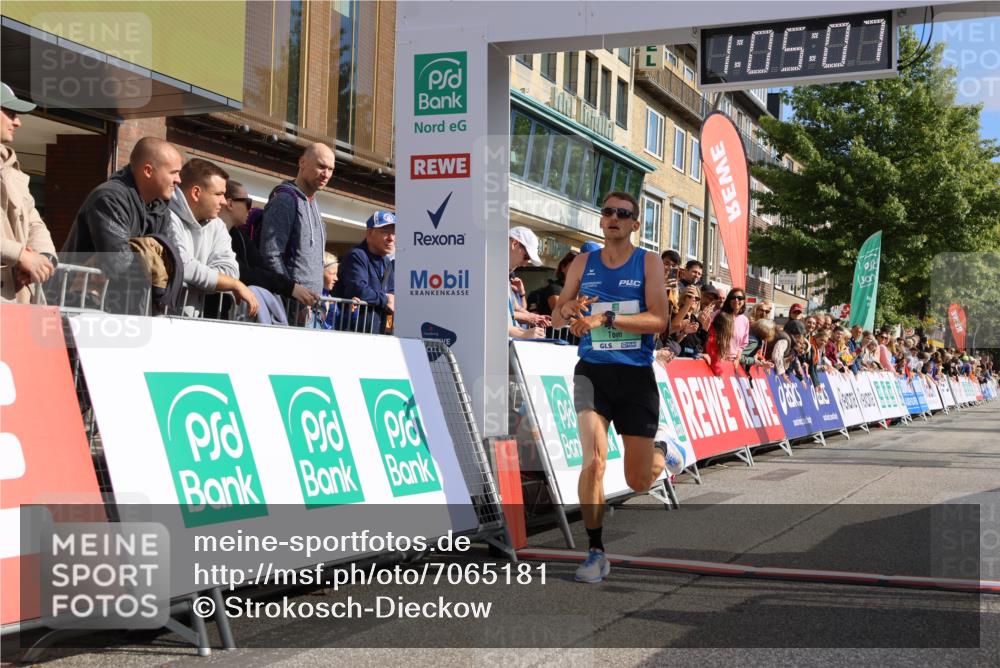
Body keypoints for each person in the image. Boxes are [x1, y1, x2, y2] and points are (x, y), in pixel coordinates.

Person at [551, 191, 669, 583]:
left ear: (635, 223)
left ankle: (664, 452)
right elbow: (557, 316)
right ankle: (595, 551)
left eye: (623, 213)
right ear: (601, 220)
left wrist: (605, 318)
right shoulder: (582, 263)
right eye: (608, 212)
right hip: (592, 372)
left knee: (638, 480)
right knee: (594, 461)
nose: (614, 218)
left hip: (634, 376)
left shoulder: (648, 262)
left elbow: (659, 320)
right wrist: (568, 309)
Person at [63, 137, 181, 278]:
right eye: (173, 172)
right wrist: (153, 260)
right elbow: (119, 262)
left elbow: (174, 262)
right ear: (148, 171)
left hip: (129, 292)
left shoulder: (161, 209)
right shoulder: (109, 198)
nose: (178, 180)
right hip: (77, 290)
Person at [167, 159, 258, 317]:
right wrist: (232, 284)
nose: (223, 202)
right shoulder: (166, 216)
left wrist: (199, 279)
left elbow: (231, 271)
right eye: (219, 194)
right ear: (196, 193)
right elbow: (181, 265)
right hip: (158, 320)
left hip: (192, 322)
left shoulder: (217, 225)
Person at [220, 180, 317, 308]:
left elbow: (261, 266)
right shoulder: (213, 233)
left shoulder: (240, 237)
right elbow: (243, 272)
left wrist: (291, 287)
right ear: (230, 204)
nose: (250, 209)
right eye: (247, 203)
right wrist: (290, 288)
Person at [1, 82, 57, 303]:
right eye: (10, 113)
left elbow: (35, 222)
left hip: (16, 300)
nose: (18, 122)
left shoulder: (13, 170)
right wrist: (21, 255)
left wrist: (42, 258)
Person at [260, 142, 334, 295]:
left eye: (331, 169)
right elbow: (271, 254)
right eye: (321, 166)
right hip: (287, 304)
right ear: (302, 162)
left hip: (310, 304)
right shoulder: (285, 200)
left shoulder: (313, 203)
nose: (326, 174)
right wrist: (291, 292)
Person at [333, 210, 395, 334]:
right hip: (354, 334)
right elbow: (358, 289)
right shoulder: (357, 255)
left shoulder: (387, 262)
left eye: (394, 233)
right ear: (369, 233)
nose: (391, 238)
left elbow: (392, 296)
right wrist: (385, 299)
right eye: (385, 232)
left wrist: (389, 329)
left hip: (380, 333)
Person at [507, 226, 545, 339]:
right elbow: (487, 318)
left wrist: (532, 317)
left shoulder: (502, 276)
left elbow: (513, 309)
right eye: (526, 257)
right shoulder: (488, 273)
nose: (524, 264)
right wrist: (524, 334)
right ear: (514, 244)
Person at [526, 251, 575, 317]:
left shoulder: (577, 290)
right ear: (563, 268)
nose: (578, 271)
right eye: (574, 266)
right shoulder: (555, 289)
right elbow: (561, 316)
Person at [718, 288, 750, 364]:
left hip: (733, 362)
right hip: (718, 359)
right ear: (729, 300)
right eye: (733, 297)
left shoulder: (745, 320)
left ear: (744, 301)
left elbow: (743, 343)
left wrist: (738, 358)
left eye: (740, 298)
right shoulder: (719, 314)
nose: (736, 300)